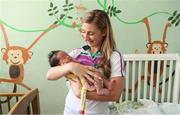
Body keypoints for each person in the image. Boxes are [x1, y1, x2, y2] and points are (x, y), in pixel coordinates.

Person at [46, 9, 125, 115]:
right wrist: (72, 67)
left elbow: (115, 95)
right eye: (83, 32)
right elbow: (49, 75)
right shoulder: (75, 54)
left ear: (104, 32)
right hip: (70, 109)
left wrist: (80, 93)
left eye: (91, 33)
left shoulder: (114, 56)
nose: (86, 37)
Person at [48, 50, 114, 95]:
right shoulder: (66, 70)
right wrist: (70, 66)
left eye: (66, 54)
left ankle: (107, 84)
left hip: (89, 75)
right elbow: (49, 75)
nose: (68, 56)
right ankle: (99, 90)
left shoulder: (73, 58)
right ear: (60, 65)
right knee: (96, 75)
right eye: (64, 57)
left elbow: (78, 63)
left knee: (97, 74)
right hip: (84, 81)